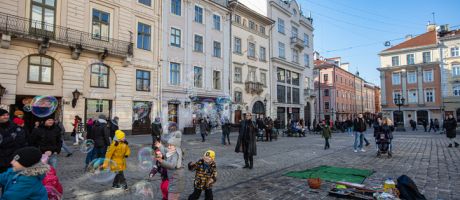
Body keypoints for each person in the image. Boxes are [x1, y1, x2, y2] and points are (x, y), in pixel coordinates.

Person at [155, 123, 184, 200]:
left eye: (170, 145)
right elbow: (165, 151)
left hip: (176, 182)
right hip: (172, 180)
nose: (168, 146)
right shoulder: (172, 150)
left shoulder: (176, 154)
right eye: (169, 145)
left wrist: (162, 161)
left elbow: (172, 165)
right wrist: (160, 146)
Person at [0, 109, 27, 173]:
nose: (6, 117)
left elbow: (21, 140)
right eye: (3, 115)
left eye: (7, 115)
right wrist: (12, 138)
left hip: (13, 159)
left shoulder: (14, 126)